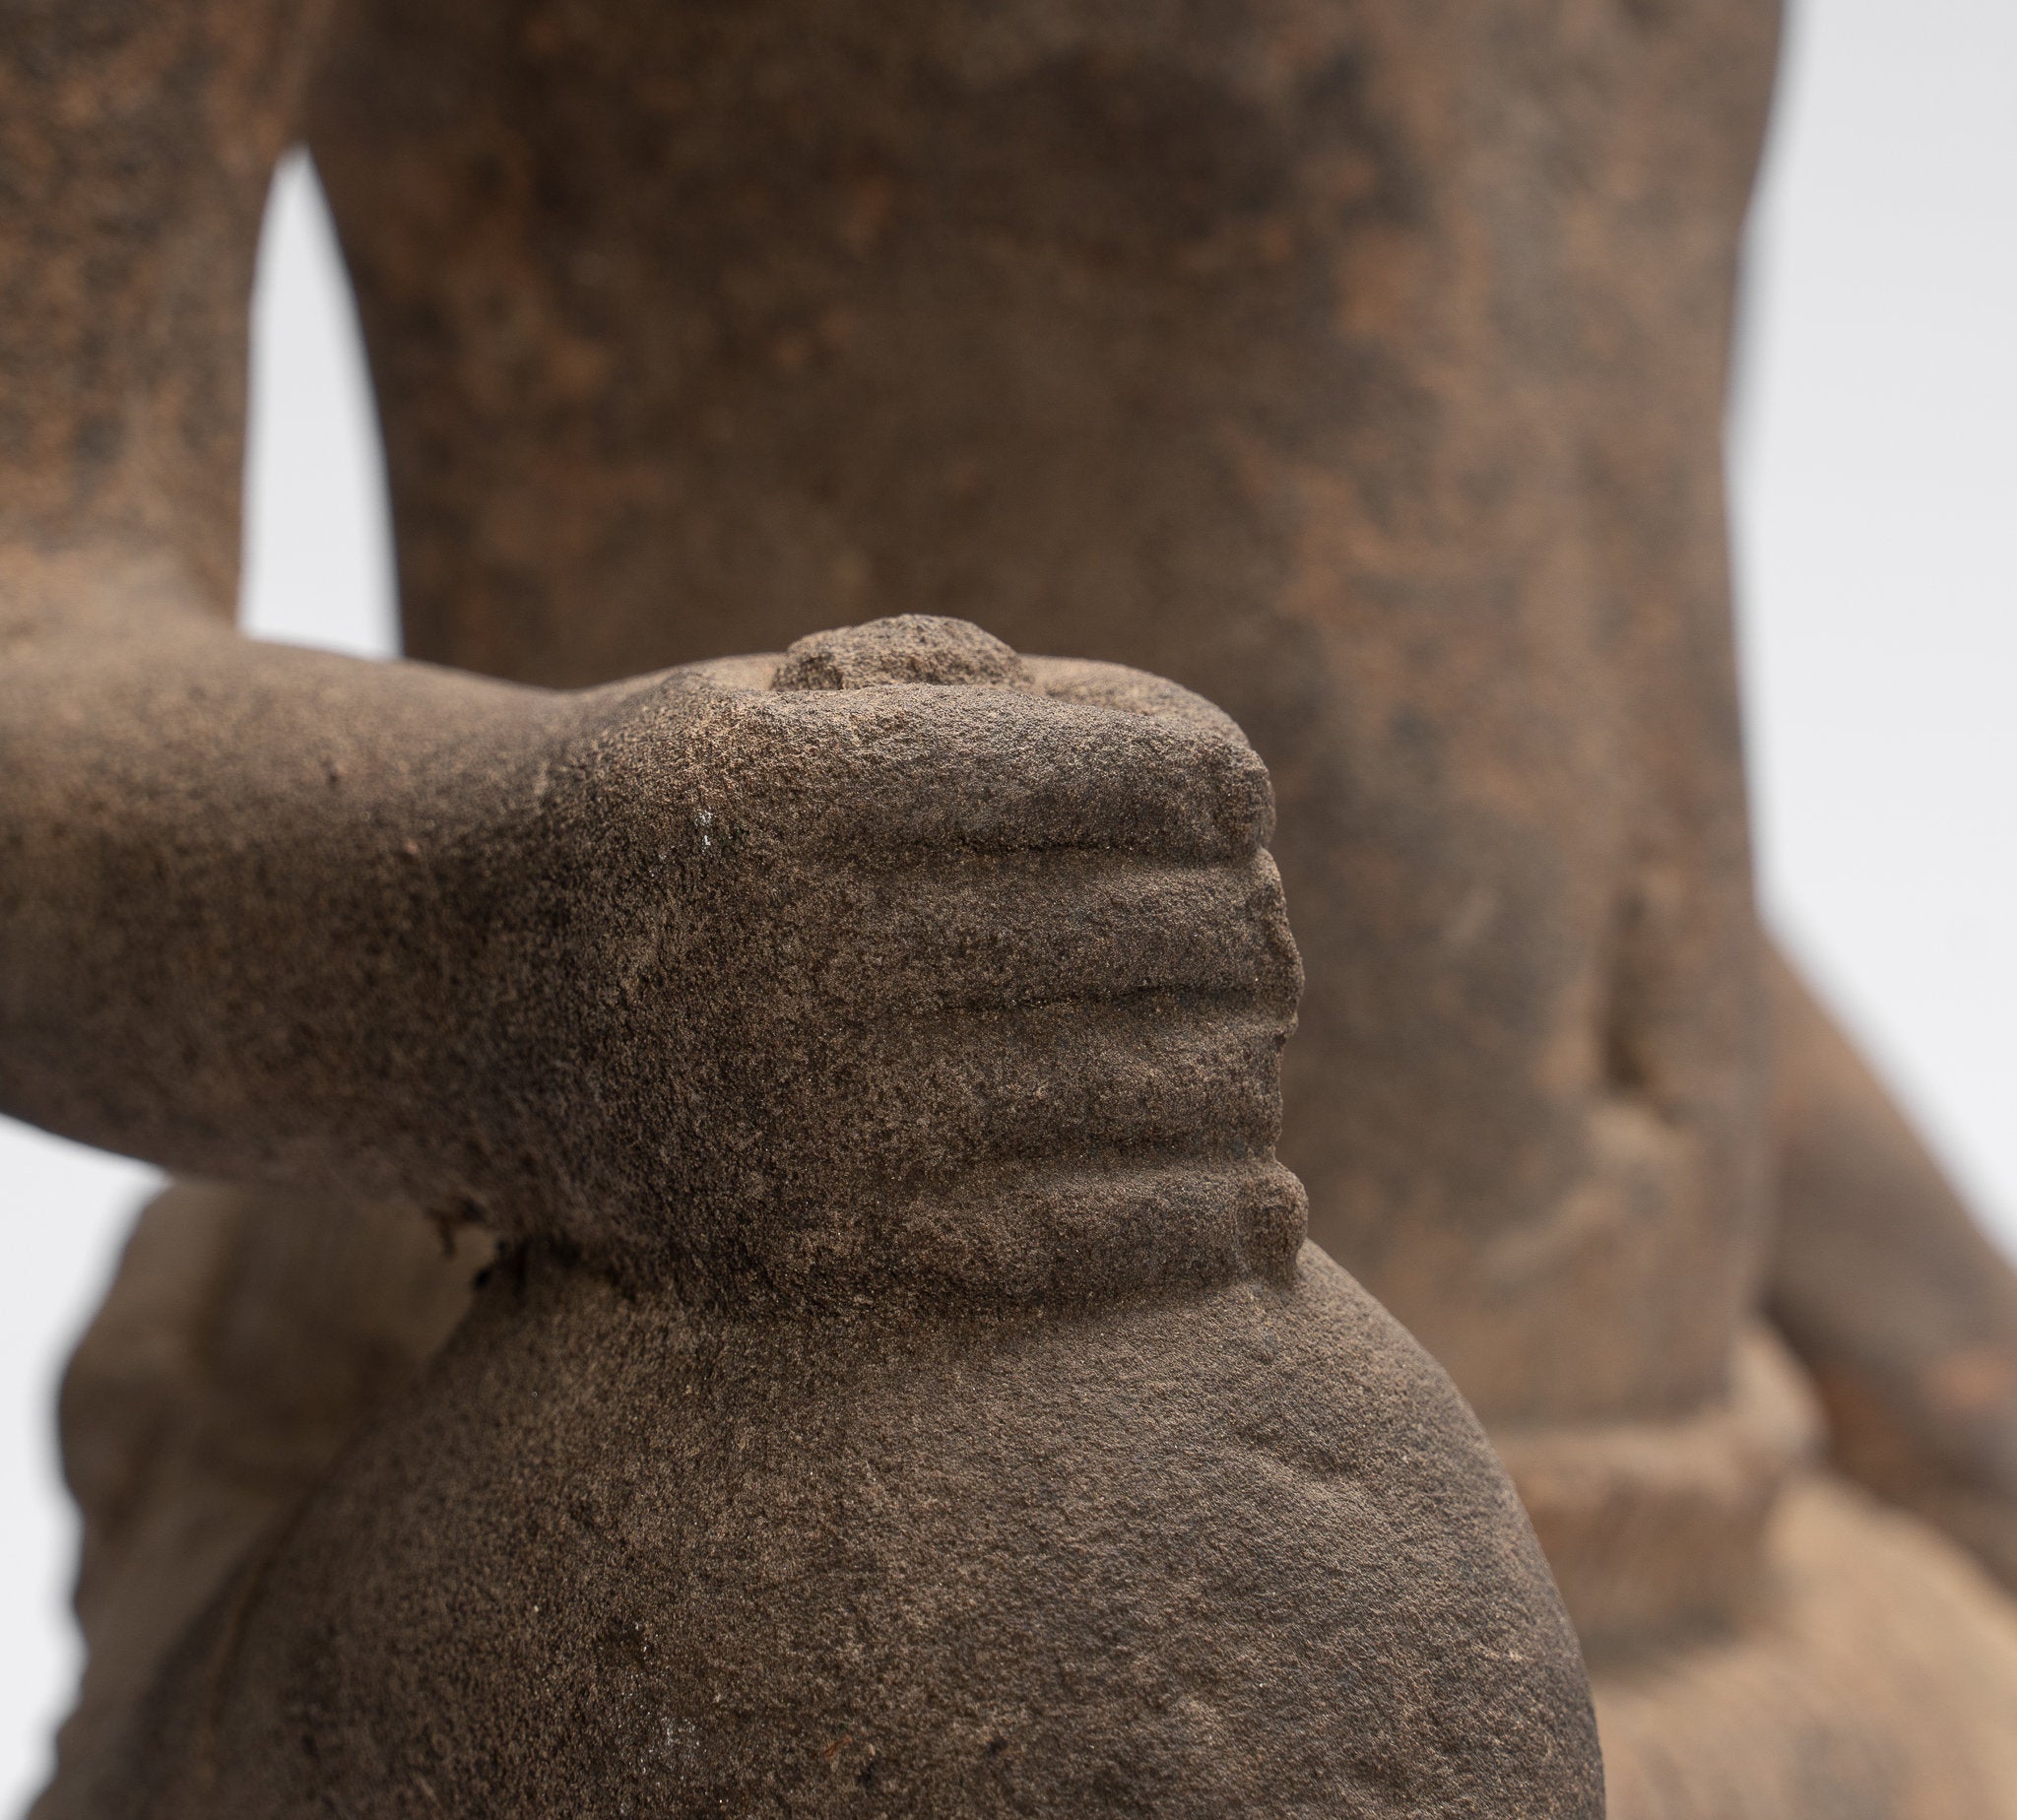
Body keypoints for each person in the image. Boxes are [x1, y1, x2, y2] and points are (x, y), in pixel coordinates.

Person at [5, 1, 2016, 1811]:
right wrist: (559, 917)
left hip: (1722, 1559)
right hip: (790, 1568)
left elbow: (1537, 800)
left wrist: (1955, 1385)